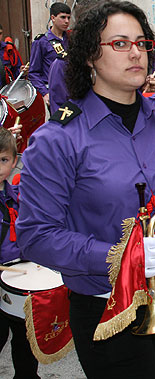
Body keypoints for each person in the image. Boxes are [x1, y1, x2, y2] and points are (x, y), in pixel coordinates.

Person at [16, 0, 155, 378]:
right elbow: (36, 236)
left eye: (141, 43)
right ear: (91, 56)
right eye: (120, 44)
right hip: (106, 305)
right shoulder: (58, 139)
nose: (136, 53)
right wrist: (120, 257)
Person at [0, 128, 40, 379]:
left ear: (15, 161)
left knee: (26, 338)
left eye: (3, 160)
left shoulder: (18, 195)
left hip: (18, 278)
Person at [29, 2, 71, 106]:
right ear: (53, 18)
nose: (66, 21)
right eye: (63, 17)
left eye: (69, 18)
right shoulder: (42, 41)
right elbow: (33, 72)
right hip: (55, 92)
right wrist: (45, 93)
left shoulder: (71, 38)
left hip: (72, 89)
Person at [0, 25, 24, 89]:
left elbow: (16, 71)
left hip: (8, 91)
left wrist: (21, 71)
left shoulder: (9, 50)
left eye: (0, 33)